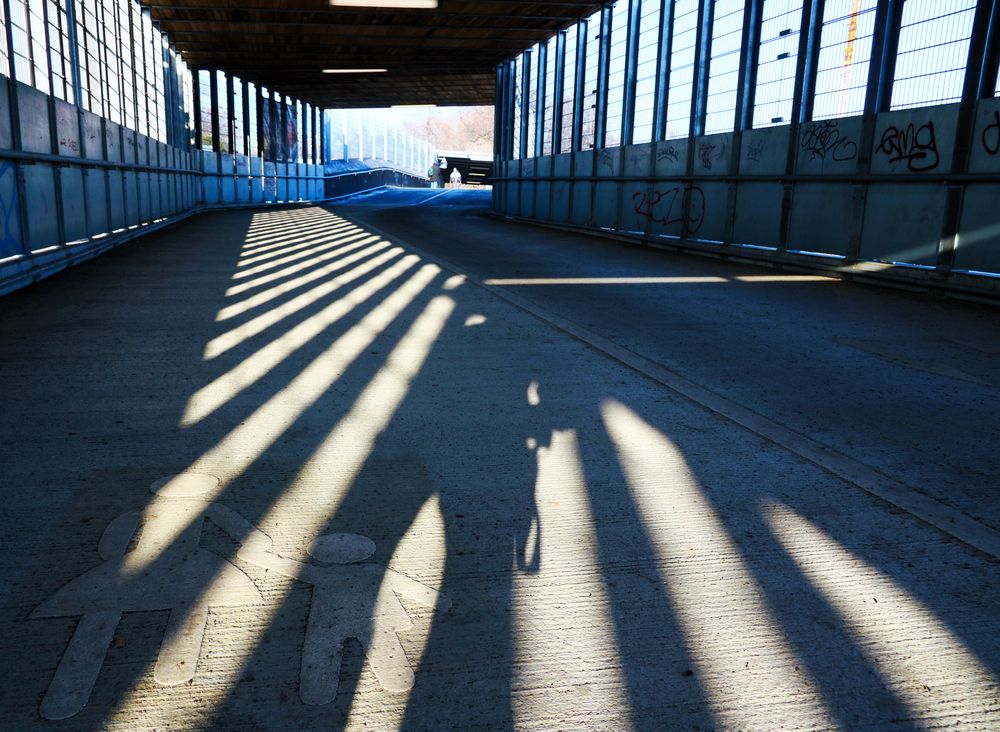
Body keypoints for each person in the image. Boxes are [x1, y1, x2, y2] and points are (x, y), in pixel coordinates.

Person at [31, 473, 270, 720]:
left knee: (102, 610)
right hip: (190, 563)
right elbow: (244, 532)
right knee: (189, 606)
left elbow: (111, 543)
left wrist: (114, 561)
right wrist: (258, 544)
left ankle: (69, 688)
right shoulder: (210, 508)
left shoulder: (142, 511)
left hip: (136, 564)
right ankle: (176, 668)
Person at [239, 532, 450, 705]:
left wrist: (255, 555)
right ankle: (394, 677)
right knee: (384, 646)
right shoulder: (372, 569)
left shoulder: (320, 573)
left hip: (329, 621)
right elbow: (408, 586)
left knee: (322, 652)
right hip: (376, 618)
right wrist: (437, 600)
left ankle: (318, 690)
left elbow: (285, 565)